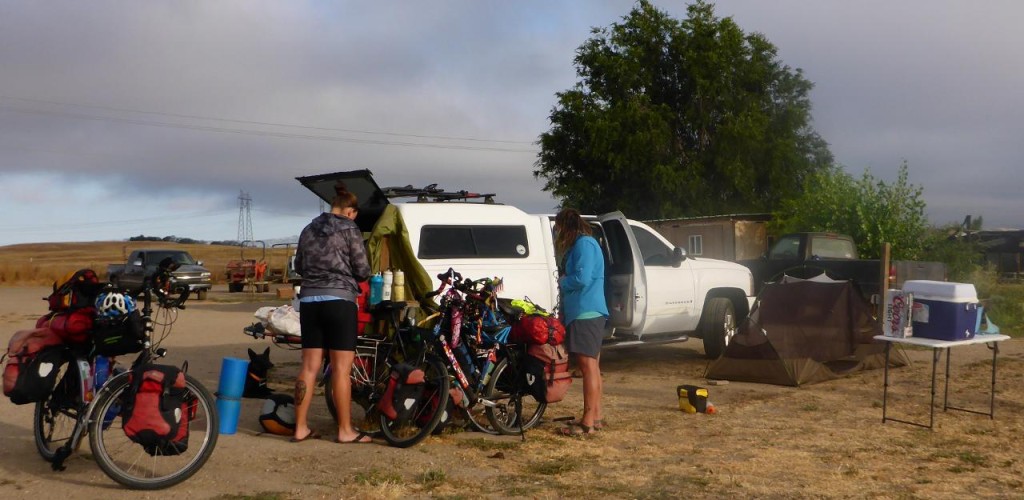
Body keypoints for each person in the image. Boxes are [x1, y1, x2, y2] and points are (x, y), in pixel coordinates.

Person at [291, 183, 372, 443]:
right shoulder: (350, 229)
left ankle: (300, 428)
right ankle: (345, 430)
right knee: (340, 369)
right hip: (340, 301)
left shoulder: (308, 228)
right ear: (350, 211)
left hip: (310, 300)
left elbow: (299, 265)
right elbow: (362, 269)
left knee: (309, 367)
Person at [554, 208, 609, 436]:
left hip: (586, 312)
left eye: (559, 229)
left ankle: (587, 422)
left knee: (587, 368)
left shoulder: (584, 245)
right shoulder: (588, 243)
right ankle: (595, 416)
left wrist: (562, 281)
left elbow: (582, 278)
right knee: (593, 367)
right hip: (590, 311)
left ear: (567, 227)